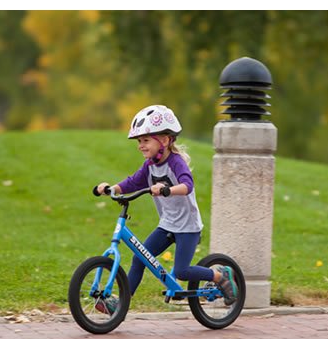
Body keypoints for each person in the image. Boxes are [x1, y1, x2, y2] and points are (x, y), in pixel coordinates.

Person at [95, 104, 237, 315]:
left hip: (188, 227)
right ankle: (122, 303)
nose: (140, 146)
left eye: (145, 140)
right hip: (168, 224)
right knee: (139, 257)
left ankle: (220, 277)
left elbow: (187, 185)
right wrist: (110, 188)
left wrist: (167, 190)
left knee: (182, 271)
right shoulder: (150, 165)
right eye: (139, 141)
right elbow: (132, 182)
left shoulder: (176, 163)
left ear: (165, 140)